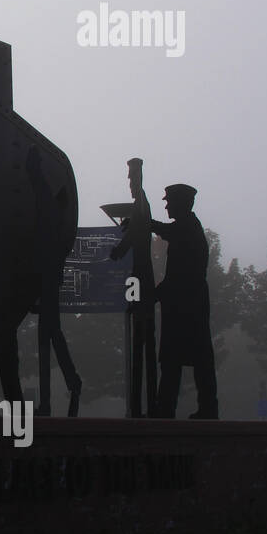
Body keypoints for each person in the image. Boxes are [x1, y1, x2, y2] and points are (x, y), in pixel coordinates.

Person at [151, 184, 216, 418]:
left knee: (177, 359)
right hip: (186, 305)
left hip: (185, 306)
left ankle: (168, 410)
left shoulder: (187, 229)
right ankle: (200, 408)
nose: (166, 206)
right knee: (188, 359)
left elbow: (179, 276)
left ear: (181, 204)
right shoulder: (188, 228)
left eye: (169, 201)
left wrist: (153, 295)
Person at [27, 145, 82, 416]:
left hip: (46, 286)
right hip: (48, 285)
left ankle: (67, 388)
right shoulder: (58, 228)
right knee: (51, 338)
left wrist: (33, 165)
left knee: (48, 340)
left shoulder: (49, 217)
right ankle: (69, 386)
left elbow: (40, 189)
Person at [109, 157, 158, 417]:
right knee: (142, 344)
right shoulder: (140, 207)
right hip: (141, 281)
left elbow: (134, 234)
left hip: (142, 280)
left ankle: (142, 408)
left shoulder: (141, 202)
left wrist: (118, 250)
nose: (130, 183)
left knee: (143, 344)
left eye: (132, 177)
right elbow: (137, 229)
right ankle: (142, 405)